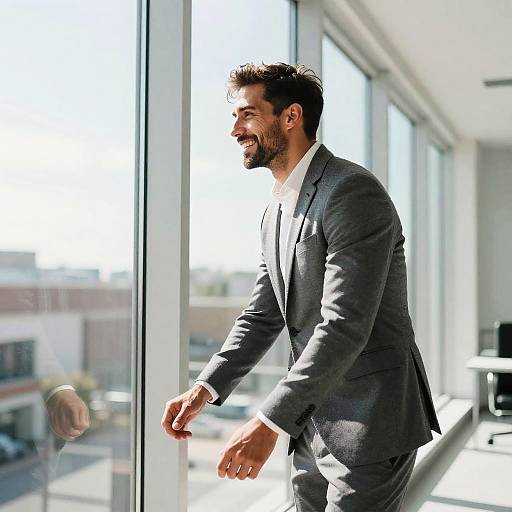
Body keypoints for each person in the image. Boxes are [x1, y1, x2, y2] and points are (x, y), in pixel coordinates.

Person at [161, 62, 441, 511]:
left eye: (247, 114)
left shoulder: (351, 191)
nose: (235, 130)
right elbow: (262, 315)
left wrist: (269, 421)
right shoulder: (275, 212)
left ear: (291, 117)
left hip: (371, 420)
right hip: (311, 421)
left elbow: (344, 323)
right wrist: (206, 387)